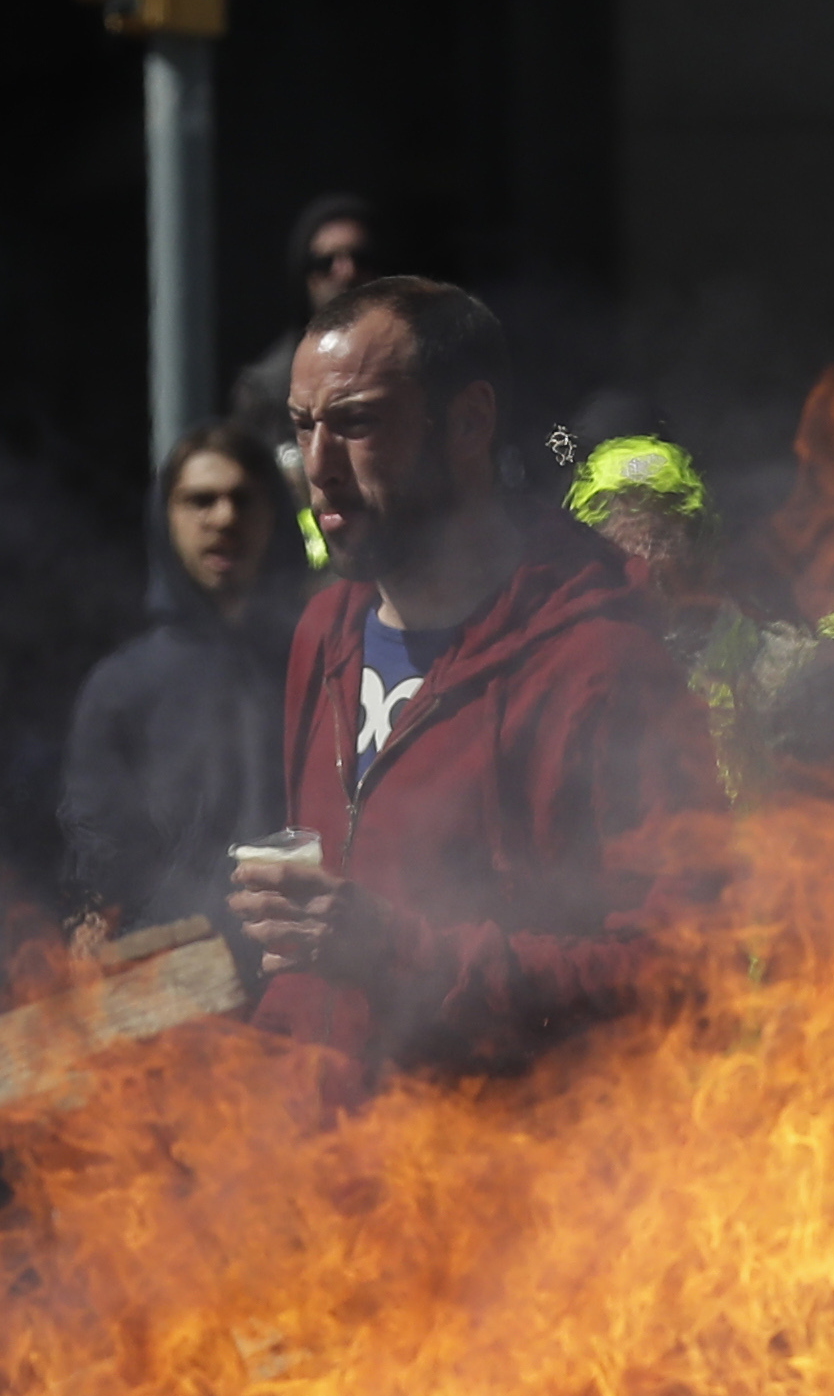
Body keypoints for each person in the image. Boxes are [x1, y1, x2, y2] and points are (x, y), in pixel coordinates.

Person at [228, 277, 715, 1088]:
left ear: (468, 421)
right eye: (302, 427)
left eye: (355, 423)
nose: (318, 468)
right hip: (325, 1182)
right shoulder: (323, 635)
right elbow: (314, 964)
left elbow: (679, 968)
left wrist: (398, 952)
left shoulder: (601, 660)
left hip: (498, 1188)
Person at [562, 432, 834, 803]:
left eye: (662, 527)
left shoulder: (768, 659)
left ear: (698, 539)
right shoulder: (578, 674)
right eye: (621, 526)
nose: (648, 555)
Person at [58, 420, 297, 939]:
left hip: (307, 965)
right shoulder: (122, 687)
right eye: (200, 500)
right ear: (165, 517)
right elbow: (97, 846)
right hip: (180, 979)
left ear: (273, 513)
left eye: (243, 499)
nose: (224, 518)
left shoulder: (324, 660)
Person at [230, 192, 387, 499]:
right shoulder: (265, 388)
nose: (346, 272)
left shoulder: (415, 366)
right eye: (325, 263)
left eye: (361, 258)